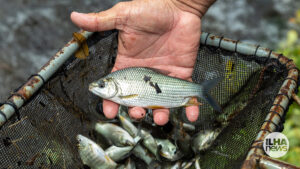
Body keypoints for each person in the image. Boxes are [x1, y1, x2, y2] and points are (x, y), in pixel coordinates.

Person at [71, 0, 216, 126]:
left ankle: (201, 90)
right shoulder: (119, 84)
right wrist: (185, 5)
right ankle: (200, 90)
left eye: (102, 85)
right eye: (101, 85)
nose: (97, 86)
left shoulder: (119, 88)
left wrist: (183, 5)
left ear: (111, 83)